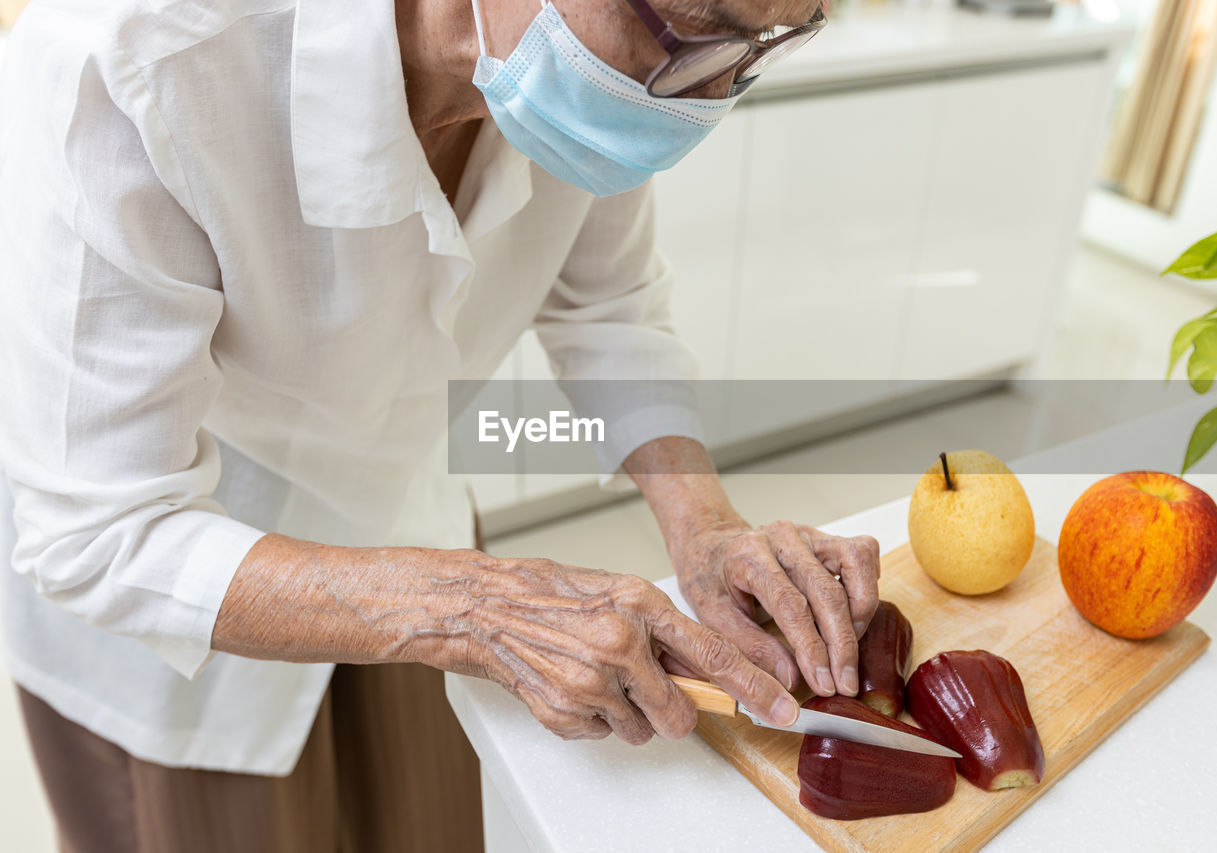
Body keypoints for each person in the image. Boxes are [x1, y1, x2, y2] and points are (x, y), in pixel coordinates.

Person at [0, 0, 879, 850]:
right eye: (693, 34)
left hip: (408, 516)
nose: (699, 102)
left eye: (760, 45)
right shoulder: (131, 57)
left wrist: (705, 528)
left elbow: (608, 309)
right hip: (184, 604)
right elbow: (99, 526)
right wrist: (467, 608)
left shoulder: (575, 83)